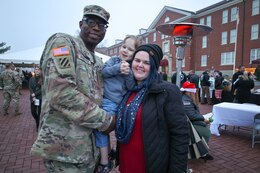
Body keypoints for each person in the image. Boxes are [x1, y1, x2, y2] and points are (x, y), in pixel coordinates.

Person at [30, 5, 116, 173]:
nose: (96, 27)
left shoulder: (98, 61)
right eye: (91, 21)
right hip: (66, 153)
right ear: (80, 24)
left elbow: (100, 98)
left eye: (102, 25)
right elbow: (60, 92)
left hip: (91, 152)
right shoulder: (63, 43)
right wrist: (106, 121)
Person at [115, 44, 190, 173]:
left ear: (154, 67)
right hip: (126, 163)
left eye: (146, 63)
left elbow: (180, 135)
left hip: (151, 166)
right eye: (137, 60)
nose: (140, 65)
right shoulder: (127, 89)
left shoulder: (167, 91)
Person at [94, 35, 142, 173]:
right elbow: (103, 72)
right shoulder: (114, 60)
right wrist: (117, 68)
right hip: (101, 99)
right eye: (124, 47)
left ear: (135, 54)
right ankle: (108, 153)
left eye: (130, 49)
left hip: (114, 103)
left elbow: (131, 86)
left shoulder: (132, 67)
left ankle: (104, 162)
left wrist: (127, 73)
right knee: (101, 128)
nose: (125, 50)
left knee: (101, 127)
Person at [180, 81, 214, 161]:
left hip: (189, 122)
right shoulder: (186, 100)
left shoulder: (187, 98)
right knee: (206, 133)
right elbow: (191, 115)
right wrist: (203, 118)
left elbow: (193, 113)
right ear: (189, 92)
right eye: (194, 92)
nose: (195, 93)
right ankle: (202, 152)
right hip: (187, 124)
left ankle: (200, 150)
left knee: (204, 127)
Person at [28, 65, 42, 132]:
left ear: (41, 71)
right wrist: (32, 95)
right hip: (33, 98)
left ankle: (38, 125)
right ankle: (37, 120)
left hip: (40, 98)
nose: (37, 70)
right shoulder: (31, 78)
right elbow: (30, 87)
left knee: (39, 113)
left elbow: (42, 89)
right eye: (36, 69)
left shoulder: (43, 79)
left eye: (38, 69)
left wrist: (35, 94)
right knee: (33, 112)